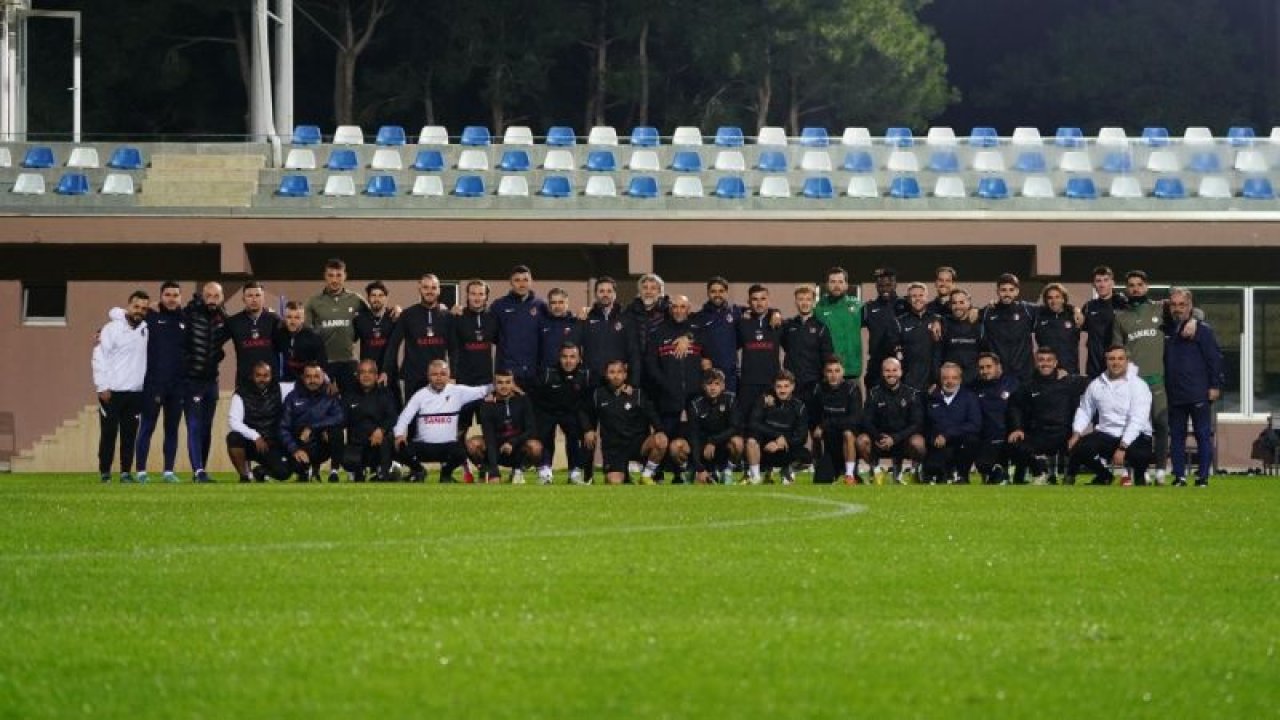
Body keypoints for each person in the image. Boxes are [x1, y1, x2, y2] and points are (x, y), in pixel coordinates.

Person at [1111, 270, 1172, 483]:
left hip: (1158, 380)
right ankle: (1139, 469)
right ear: (1126, 289)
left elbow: (1190, 311)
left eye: (1139, 284)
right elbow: (1117, 351)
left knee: (1161, 424)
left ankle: (1161, 470)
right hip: (1134, 383)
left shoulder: (1160, 309)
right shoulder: (1120, 317)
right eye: (1131, 285)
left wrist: (1194, 319)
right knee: (1135, 427)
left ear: (1146, 286)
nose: (1135, 289)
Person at [1067, 345, 1154, 486]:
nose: (1116, 362)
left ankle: (1140, 479)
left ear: (1127, 361)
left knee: (1140, 455)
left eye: (1120, 359)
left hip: (1135, 436)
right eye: (1111, 359)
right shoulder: (1096, 384)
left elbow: (1137, 420)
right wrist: (1076, 433)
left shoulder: (1139, 385)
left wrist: (1123, 447)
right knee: (1079, 447)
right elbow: (1085, 410)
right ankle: (1105, 476)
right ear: (1106, 361)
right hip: (1106, 433)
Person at [394, 359, 493, 483]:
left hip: (447, 447)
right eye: (434, 374)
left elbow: (482, 390)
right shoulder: (420, 395)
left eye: (443, 374)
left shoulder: (457, 392)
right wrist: (399, 434)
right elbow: (404, 416)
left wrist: (501, 388)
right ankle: (419, 471)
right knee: (400, 449)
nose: (439, 378)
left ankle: (445, 475)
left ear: (449, 376)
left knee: (461, 453)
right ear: (428, 376)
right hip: (423, 446)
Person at [1164, 287, 1224, 487]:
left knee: (1202, 435)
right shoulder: (1166, 330)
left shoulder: (1202, 329)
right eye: (1174, 304)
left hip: (1199, 392)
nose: (1177, 308)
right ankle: (1179, 477)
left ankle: (1203, 477)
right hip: (1175, 393)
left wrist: (1215, 385)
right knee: (1177, 437)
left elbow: (1214, 359)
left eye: (1182, 304)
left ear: (1190, 306)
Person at [1007, 347, 1088, 484]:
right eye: (1041, 360)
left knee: (1085, 446)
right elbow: (1015, 406)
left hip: (1064, 434)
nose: (1045, 363)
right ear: (1036, 362)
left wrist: (1076, 433)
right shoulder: (1027, 385)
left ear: (1055, 363)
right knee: (1014, 443)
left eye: (1049, 360)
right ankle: (1039, 473)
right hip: (1038, 434)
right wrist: (1017, 428)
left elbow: (1094, 383)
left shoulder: (1069, 382)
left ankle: (1070, 477)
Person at [92, 290, 149, 483]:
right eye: (136, 306)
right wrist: (102, 386)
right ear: (128, 306)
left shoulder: (146, 329)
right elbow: (99, 357)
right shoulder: (111, 329)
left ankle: (125, 473)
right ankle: (105, 472)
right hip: (112, 392)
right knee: (108, 433)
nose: (139, 311)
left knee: (129, 436)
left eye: (143, 308)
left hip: (135, 393)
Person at [580, 359, 667, 485]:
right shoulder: (598, 395)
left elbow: (653, 415)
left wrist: (660, 431)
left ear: (625, 375)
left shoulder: (637, 394)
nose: (616, 376)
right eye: (612, 372)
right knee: (614, 482)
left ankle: (646, 475)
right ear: (606, 375)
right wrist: (588, 429)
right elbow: (583, 411)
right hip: (614, 449)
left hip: (638, 444)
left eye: (619, 372)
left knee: (661, 439)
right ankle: (624, 474)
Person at [134, 281, 185, 483]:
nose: (172, 299)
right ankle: (141, 472)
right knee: (147, 427)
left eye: (175, 295)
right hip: (154, 385)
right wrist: (101, 331)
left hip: (178, 386)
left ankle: (168, 472)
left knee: (172, 429)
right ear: (161, 297)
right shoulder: (151, 317)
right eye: (168, 295)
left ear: (180, 298)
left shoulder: (186, 319)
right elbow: (124, 315)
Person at [182, 281, 229, 483]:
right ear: (202, 296)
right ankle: (198, 470)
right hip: (191, 381)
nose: (212, 300)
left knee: (206, 427)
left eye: (216, 296)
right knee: (194, 425)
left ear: (222, 298)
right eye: (208, 295)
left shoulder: (223, 318)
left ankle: (202, 470)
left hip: (211, 381)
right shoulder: (189, 313)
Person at [646, 294, 706, 441]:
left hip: (695, 396)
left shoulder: (698, 331)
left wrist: (689, 337)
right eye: (675, 307)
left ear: (688, 309)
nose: (678, 310)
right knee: (668, 438)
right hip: (668, 397)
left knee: (696, 438)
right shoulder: (658, 332)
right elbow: (651, 364)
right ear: (670, 309)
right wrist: (665, 384)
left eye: (682, 307)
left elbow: (708, 357)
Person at [857, 357, 926, 485]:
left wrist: (895, 438)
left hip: (903, 440)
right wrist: (879, 437)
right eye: (887, 370)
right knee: (861, 441)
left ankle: (914, 473)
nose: (891, 374)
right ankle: (876, 471)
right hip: (880, 441)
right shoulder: (874, 393)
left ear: (901, 372)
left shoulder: (911, 394)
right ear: (882, 373)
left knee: (918, 442)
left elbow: (917, 424)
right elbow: (866, 420)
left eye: (894, 370)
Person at [451, 279, 498, 463]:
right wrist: (453, 377)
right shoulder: (458, 317)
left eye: (481, 294)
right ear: (467, 296)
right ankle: (456, 467)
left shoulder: (493, 318)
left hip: (486, 385)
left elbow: (502, 347)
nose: (477, 297)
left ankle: (488, 467)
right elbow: (453, 350)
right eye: (473, 294)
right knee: (459, 430)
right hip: (463, 384)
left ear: (486, 297)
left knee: (489, 429)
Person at [532, 343, 593, 485]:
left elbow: (585, 403)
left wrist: (587, 427)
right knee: (545, 435)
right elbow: (534, 396)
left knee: (575, 435)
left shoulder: (585, 375)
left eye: (572, 357)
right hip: (547, 411)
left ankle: (575, 472)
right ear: (559, 358)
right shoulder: (547, 374)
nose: (568, 361)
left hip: (571, 412)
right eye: (564, 357)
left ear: (579, 359)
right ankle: (545, 472)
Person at [467, 369, 542, 484]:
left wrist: (512, 442)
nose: (504, 386)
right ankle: (486, 469)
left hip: (517, 447)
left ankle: (518, 470)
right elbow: (489, 438)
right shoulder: (487, 404)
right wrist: (494, 472)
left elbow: (531, 430)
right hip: (496, 448)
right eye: (500, 382)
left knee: (535, 447)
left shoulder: (523, 400)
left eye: (508, 382)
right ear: (494, 385)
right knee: (472, 444)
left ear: (513, 384)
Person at [385, 273, 452, 400]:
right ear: (419, 289)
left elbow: (454, 349)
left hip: (438, 377)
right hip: (413, 377)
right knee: (413, 412)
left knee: (437, 412)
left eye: (433, 288)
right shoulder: (407, 315)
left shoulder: (447, 316)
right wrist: (386, 370)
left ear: (439, 290)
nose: (429, 291)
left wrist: (453, 375)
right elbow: (393, 344)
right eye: (426, 287)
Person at [305, 258, 366, 394]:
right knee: (323, 402)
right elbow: (306, 333)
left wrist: (395, 310)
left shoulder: (356, 299)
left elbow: (375, 315)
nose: (334, 280)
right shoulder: (313, 301)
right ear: (325, 276)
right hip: (324, 363)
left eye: (338, 275)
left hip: (349, 362)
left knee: (351, 402)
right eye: (331, 275)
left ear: (345, 276)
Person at [225, 360, 290, 483]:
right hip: (250, 443)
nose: (262, 379)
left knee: (283, 473)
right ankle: (244, 476)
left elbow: (303, 384)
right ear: (252, 376)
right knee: (233, 437)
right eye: (258, 375)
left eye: (266, 376)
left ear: (271, 376)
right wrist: (255, 436)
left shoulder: (280, 389)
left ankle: (260, 472)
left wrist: (327, 380)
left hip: (271, 443)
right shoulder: (241, 393)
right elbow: (233, 421)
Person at [281, 362, 346, 482]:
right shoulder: (292, 397)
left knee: (336, 431)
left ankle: (334, 472)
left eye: (316, 376)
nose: (312, 380)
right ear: (303, 378)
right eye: (308, 376)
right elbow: (283, 427)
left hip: (321, 444)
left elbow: (339, 417)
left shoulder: (330, 396)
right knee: (288, 470)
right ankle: (305, 471)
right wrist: (295, 449)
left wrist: (312, 427)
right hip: (300, 443)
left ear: (323, 377)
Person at [744, 370, 812, 485]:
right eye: (779, 386)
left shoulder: (799, 406)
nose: (782, 390)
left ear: (793, 387)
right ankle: (755, 477)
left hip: (785, 448)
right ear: (774, 387)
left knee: (806, 458)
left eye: (786, 386)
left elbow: (802, 437)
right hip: (765, 448)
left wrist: (782, 443)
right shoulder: (764, 400)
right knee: (751, 441)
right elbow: (753, 423)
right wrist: (776, 436)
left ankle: (786, 470)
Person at [679, 369, 744, 484]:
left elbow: (735, 427)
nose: (713, 388)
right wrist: (699, 467)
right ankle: (690, 471)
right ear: (704, 386)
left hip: (722, 443)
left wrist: (713, 441)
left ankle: (727, 472)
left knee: (738, 442)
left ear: (723, 386)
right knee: (676, 447)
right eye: (709, 384)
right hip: (701, 446)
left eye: (717, 384)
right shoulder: (695, 404)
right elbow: (694, 436)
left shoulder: (731, 399)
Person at [922, 362, 981, 484]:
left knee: (972, 440)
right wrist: (934, 437)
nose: (950, 381)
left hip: (961, 443)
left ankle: (962, 475)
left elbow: (975, 424)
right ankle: (941, 473)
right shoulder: (931, 397)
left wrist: (947, 434)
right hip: (938, 444)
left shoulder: (970, 397)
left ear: (960, 379)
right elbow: (925, 424)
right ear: (940, 379)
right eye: (945, 378)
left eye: (954, 378)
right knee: (933, 471)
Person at [342, 359, 399, 481]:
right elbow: (341, 419)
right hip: (357, 445)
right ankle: (358, 472)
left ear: (376, 376)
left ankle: (383, 473)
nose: (366, 375)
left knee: (387, 439)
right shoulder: (349, 395)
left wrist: (381, 430)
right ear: (357, 376)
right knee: (348, 460)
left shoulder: (386, 394)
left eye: (370, 372)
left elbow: (392, 417)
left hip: (379, 444)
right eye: (362, 372)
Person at [809, 357, 863, 484]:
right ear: (824, 373)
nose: (833, 375)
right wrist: (818, 429)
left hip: (848, 444)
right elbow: (813, 417)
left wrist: (825, 424)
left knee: (848, 433)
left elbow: (854, 419)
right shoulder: (819, 389)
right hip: (830, 444)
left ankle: (849, 475)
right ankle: (818, 465)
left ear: (843, 372)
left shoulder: (852, 389)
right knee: (820, 481)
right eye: (830, 371)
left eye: (837, 371)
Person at [491, 264, 547, 387]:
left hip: (534, 373)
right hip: (508, 375)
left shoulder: (541, 305)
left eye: (525, 280)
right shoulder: (499, 305)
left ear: (531, 281)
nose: (522, 284)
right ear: (511, 282)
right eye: (517, 280)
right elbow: (493, 336)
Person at [580, 276, 639, 385]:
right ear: (595, 294)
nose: (605, 294)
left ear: (615, 294)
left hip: (618, 381)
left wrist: (633, 383)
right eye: (601, 291)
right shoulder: (586, 318)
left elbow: (634, 353)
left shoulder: (626, 319)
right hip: (592, 381)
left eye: (609, 291)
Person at [781, 284, 835, 403]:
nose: (804, 303)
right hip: (792, 384)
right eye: (801, 299)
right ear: (796, 302)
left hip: (813, 383)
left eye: (808, 299)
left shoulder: (821, 328)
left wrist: (824, 381)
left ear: (813, 303)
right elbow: (785, 347)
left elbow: (828, 357)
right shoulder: (788, 326)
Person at [736, 284, 784, 415]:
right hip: (748, 384)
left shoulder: (778, 322)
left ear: (768, 300)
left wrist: (776, 312)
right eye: (755, 299)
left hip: (771, 383)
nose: (759, 303)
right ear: (749, 302)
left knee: (770, 420)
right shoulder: (742, 323)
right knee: (746, 420)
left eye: (763, 298)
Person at [980, 273, 1036, 384]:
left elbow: (1051, 310)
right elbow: (968, 313)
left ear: (1017, 291)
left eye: (1011, 290)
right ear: (997, 291)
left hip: (1024, 373)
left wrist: (1071, 309)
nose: (1007, 294)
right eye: (1003, 290)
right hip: (999, 374)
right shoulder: (987, 312)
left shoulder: (1027, 310)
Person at [971, 353, 1018, 484]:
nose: (985, 371)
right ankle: (997, 474)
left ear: (998, 366)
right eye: (981, 368)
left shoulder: (1012, 383)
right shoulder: (974, 387)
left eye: (988, 366)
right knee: (982, 464)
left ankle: (1021, 473)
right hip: (985, 437)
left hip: (1009, 435)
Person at [693, 276, 745, 392]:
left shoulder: (736, 312)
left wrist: (775, 313)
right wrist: (701, 358)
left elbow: (759, 309)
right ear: (708, 293)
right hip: (708, 372)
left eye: (721, 291)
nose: (717, 294)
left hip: (730, 373)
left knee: (730, 402)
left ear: (726, 292)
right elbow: (693, 342)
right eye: (713, 291)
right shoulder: (699, 317)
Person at [625, 273, 672, 399]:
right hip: (636, 373)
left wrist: (687, 336)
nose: (648, 292)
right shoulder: (629, 312)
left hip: (663, 371)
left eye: (653, 288)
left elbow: (687, 326)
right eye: (645, 288)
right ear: (639, 291)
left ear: (660, 292)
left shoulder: (670, 312)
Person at [225, 280, 280, 387]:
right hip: (244, 382)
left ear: (263, 298)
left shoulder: (274, 320)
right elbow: (215, 342)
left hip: (271, 382)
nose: (254, 299)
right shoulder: (234, 322)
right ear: (243, 299)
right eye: (250, 296)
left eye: (257, 295)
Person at [814, 266, 864, 383]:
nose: (836, 285)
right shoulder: (818, 308)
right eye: (833, 282)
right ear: (827, 285)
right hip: (828, 373)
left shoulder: (858, 306)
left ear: (846, 285)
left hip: (852, 372)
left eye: (840, 282)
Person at [863, 268, 907, 389]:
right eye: (881, 286)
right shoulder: (868, 308)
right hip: (876, 363)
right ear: (876, 287)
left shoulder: (905, 305)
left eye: (888, 285)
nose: (885, 289)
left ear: (895, 285)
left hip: (900, 361)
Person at [1082, 265, 1127, 378]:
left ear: (1112, 283)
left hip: (1117, 366)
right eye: (1098, 281)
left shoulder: (1123, 304)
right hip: (1094, 367)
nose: (1102, 285)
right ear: (1093, 284)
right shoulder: (1088, 307)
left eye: (1106, 280)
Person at [896, 281, 941, 392]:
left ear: (926, 298)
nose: (917, 299)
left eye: (921, 295)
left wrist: (937, 380)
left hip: (933, 383)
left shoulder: (937, 319)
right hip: (908, 382)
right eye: (914, 296)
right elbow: (896, 351)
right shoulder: (900, 322)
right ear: (908, 299)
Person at [275, 301, 327, 397]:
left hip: (309, 382)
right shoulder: (279, 334)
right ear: (284, 318)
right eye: (289, 317)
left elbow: (322, 363)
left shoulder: (314, 337)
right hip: (287, 381)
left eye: (297, 317)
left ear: (303, 319)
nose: (293, 321)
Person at [1033, 283, 1083, 376]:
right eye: (1050, 298)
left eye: (1057, 297)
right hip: (1046, 371)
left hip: (1070, 371)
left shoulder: (1073, 316)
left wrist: (1076, 310)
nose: (1054, 301)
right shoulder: (1038, 316)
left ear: (1063, 299)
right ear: (1046, 300)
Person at [353, 280, 397, 379]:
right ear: (368, 298)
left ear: (386, 298)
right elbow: (350, 343)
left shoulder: (393, 317)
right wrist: (355, 364)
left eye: (381, 295)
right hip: (367, 373)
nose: (377, 299)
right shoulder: (359, 319)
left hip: (390, 372)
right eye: (373, 295)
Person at [940, 288, 981, 385]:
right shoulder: (944, 323)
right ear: (950, 305)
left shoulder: (979, 323)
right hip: (950, 382)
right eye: (954, 303)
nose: (958, 306)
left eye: (961, 302)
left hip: (975, 382)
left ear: (969, 303)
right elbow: (938, 355)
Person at [537, 287, 582, 373]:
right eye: (553, 302)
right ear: (549, 305)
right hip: (546, 374)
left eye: (561, 302)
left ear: (567, 303)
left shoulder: (576, 322)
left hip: (571, 374)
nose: (557, 306)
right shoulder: (541, 323)